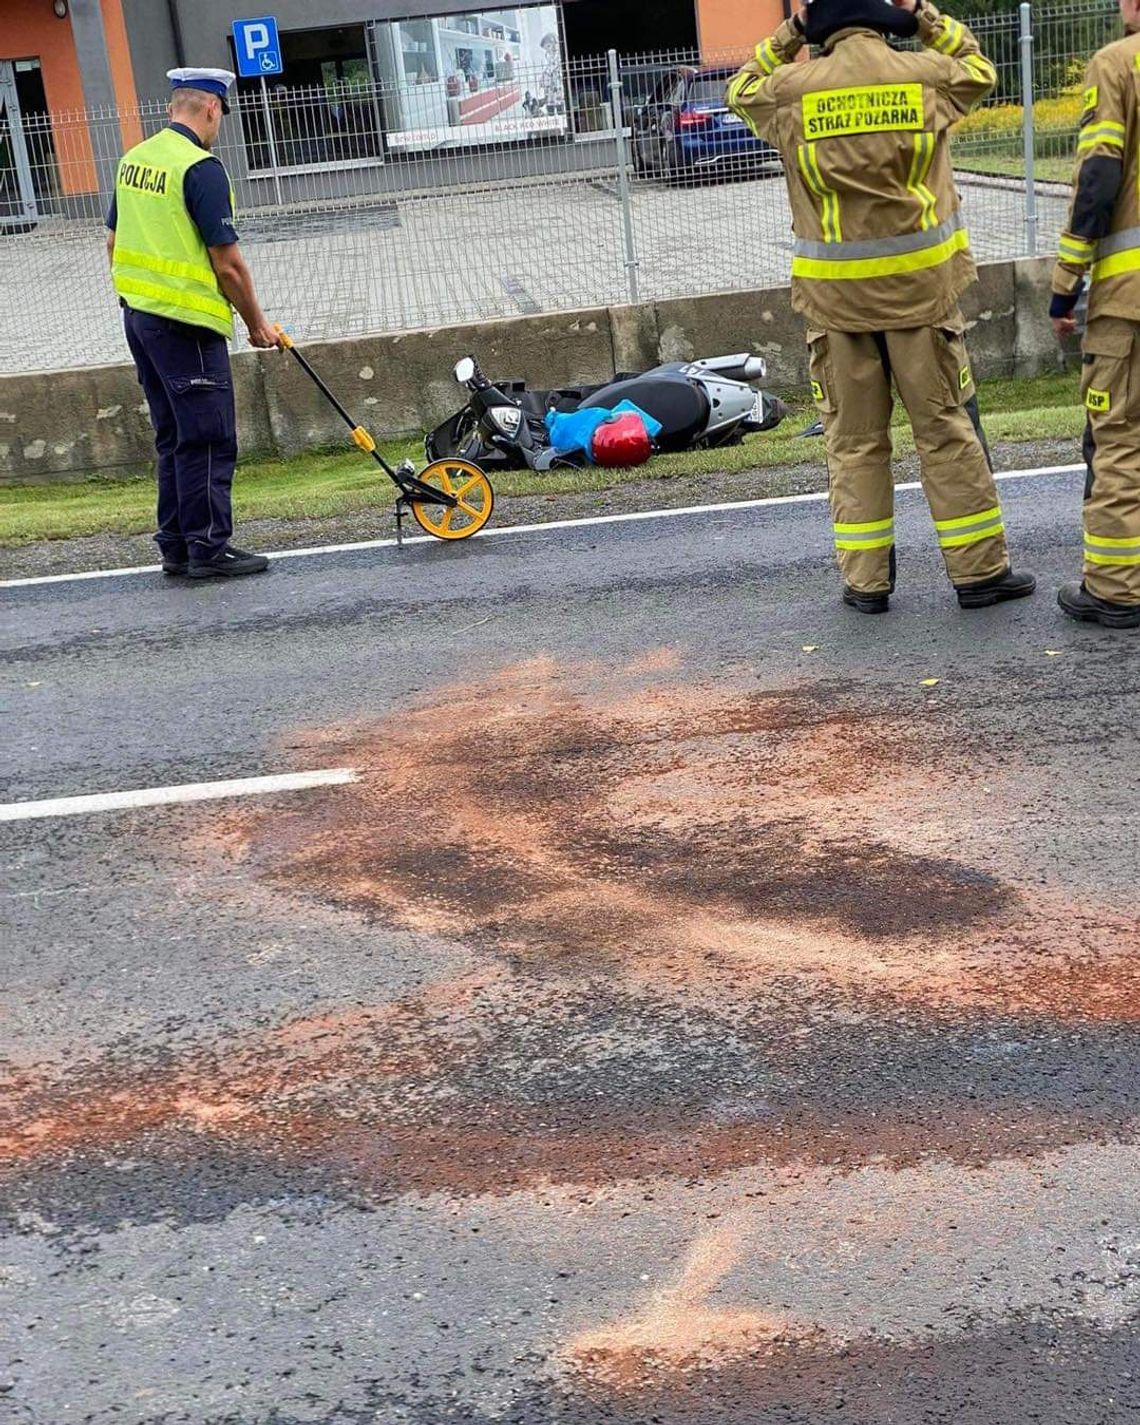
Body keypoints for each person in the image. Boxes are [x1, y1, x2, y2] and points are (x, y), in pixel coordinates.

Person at [727, 0, 1036, 614]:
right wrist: (924, 17)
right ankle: (977, 574)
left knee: (854, 441)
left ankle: (866, 583)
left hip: (835, 304)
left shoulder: (790, 90)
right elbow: (980, 68)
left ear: (822, 29)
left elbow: (740, 89)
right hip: (921, 297)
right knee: (944, 431)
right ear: (881, 21)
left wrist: (790, 33)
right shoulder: (924, 75)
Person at [106, 67, 278, 579]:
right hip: (187, 325)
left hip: (140, 321)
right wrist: (257, 325)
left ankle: (176, 546)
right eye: (220, 112)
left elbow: (113, 243)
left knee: (172, 437)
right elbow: (227, 264)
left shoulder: (133, 161)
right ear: (211, 108)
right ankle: (207, 548)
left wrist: (137, 297)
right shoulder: (200, 169)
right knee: (207, 438)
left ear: (171, 107)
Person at [1050, 0, 1140, 629]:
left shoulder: (1116, 64)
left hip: (1130, 299)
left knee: (1120, 442)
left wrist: (1065, 283)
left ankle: (1114, 588)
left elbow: (1099, 180)